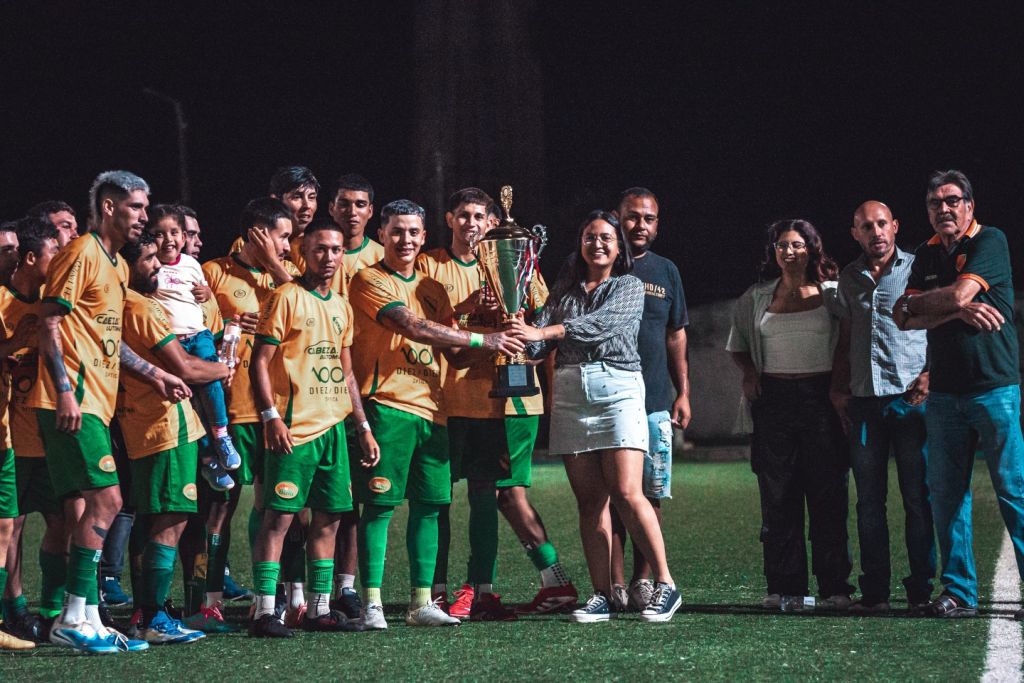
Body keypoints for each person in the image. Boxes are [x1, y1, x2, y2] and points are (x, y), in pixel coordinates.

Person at [29, 170, 191, 654]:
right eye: (136, 206)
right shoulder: (81, 253)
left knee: (87, 507)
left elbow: (108, 339)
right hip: (72, 400)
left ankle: (86, 617)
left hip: (96, 403)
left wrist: (154, 374)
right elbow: (50, 321)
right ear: (107, 207)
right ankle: (71, 617)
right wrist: (64, 391)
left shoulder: (117, 264)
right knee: (108, 500)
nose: (144, 215)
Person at [347, 199, 524, 629]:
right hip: (388, 404)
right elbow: (412, 326)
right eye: (396, 231)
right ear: (382, 235)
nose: (405, 239)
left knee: (429, 506)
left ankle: (421, 603)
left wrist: (499, 332)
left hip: (434, 410)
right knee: (380, 505)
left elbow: (455, 355)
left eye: (413, 232)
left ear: (424, 236)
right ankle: (371, 603)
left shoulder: (433, 288)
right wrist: (485, 340)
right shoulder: (369, 278)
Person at [506, 210, 680, 623]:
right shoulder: (563, 291)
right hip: (570, 392)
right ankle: (602, 593)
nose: (597, 244)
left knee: (627, 491)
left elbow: (601, 325)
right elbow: (536, 346)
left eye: (605, 238)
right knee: (589, 502)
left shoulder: (628, 286)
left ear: (619, 248)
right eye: (589, 237)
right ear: (580, 244)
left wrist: (544, 332)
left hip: (617, 388)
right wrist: (515, 324)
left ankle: (666, 583)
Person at [418, 188, 576, 620]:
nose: (472, 224)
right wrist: (469, 308)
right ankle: (437, 590)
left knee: (500, 494)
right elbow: (422, 327)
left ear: (492, 223)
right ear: (449, 219)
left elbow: (545, 327)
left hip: (511, 402)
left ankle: (488, 588)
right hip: (449, 399)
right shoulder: (431, 266)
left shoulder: (519, 264)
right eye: (464, 215)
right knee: (445, 496)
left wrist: (526, 335)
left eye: (479, 217)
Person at [894, 170, 1024, 619]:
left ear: (970, 205)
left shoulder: (990, 241)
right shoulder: (927, 254)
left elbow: (946, 298)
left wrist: (937, 304)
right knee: (948, 497)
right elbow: (900, 316)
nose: (943, 209)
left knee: (1014, 490)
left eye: (952, 200)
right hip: (945, 394)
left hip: (994, 388)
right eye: (935, 202)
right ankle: (960, 592)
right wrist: (955, 309)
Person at [248, 221, 379, 637]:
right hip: (294, 428)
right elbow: (259, 362)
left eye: (336, 250)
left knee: (330, 520)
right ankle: (264, 612)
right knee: (279, 519)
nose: (329, 257)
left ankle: (320, 609)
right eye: (320, 249)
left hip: (333, 429)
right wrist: (270, 416)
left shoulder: (342, 305)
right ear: (303, 252)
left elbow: (347, 371)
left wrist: (362, 425)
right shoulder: (285, 296)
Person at [726, 219, 853, 610]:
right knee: (778, 496)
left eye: (797, 244)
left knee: (828, 494)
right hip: (774, 400)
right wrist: (750, 373)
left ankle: (834, 588)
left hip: (820, 399)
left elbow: (848, 342)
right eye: (782, 245)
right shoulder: (757, 296)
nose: (789, 251)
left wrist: (839, 388)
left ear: (812, 248)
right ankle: (786, 588)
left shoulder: (833, 293)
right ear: (774, 252)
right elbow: (738, 344)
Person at [118, 232, 232, 645]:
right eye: (148, 258)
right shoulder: (143, 307)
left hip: (142, 424)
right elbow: (185, 367)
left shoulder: (123, 304)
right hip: (165, 425)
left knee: (155, 516)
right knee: (173, 516)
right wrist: (224, 369)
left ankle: (147, 612)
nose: (157, 265)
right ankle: (154, 616)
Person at [831, 201, 935, 613]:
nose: (875, 232)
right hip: (863, 403)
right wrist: (838, 387)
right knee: (869, 502)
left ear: (895, 226)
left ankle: (920, 589)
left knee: (917, 498)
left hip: (910, 400)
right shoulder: (849, 277)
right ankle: (875, 591)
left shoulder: (917, 268)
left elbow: (939, 322)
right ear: (855, 233)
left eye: (881, 224)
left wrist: (930, 372)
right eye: (866, 226)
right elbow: (845, 335)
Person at [203, 197, 301, 625]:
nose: (288, 245)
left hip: (280, 412)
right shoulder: (213, 272)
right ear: (256, 234)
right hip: (232, 410)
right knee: (220, 507)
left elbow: (309, 310)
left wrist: (275, 266)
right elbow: (191, 333)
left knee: (280, 505)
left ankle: (282, 597)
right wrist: (227, 325)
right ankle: (209, 599)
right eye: (282, 237)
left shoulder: (290, 276)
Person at [608, 187, 689, 612]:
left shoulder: (666, 270)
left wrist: (683, 391)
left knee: (649, 494)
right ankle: (614, 583)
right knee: (611, 495)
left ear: (657, 224)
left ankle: (643, 580)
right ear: (617, 217)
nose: (640, 225)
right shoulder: (598, 262)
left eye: (649, 218)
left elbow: (676, 334)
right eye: (633, 216)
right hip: (607, 400)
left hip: (654, 401)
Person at [1, 218, 63, 645]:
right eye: (53, 252)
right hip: (13, 435)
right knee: (12, 526)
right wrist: (15, 344)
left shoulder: (52, 305)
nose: (59, 260)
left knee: (63, 520)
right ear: (29, 258)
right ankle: (16, 609)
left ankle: (55, 609)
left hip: (51, 435)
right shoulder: (3, 301)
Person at [147, 204, 241, 491]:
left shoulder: (190, 264)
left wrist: (207, 291)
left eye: (175, 232)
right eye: (159, 234)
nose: (169, 239)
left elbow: (202, 291)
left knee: (212, 385)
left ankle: (222, 436)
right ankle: (208, 459)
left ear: (183, 236)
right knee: (189, 403)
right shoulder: (150, 266)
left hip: (198, 336)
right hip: (170, 342)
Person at [323, 173, 383, 618]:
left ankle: (346, 588)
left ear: (371, 211)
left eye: (360, 204)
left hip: (365, 391)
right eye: (344, 203)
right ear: (332, 208)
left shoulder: (381, 256)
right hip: (314, 390)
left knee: (355, 500)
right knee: (302, 503)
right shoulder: (310, 249)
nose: (351, 211)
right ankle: (296, 591)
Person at [0, 222, 36, 651]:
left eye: (14, 248)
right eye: (5, 249)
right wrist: (14, 345)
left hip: (5, 432)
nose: (12, 255)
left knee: (6, 524)